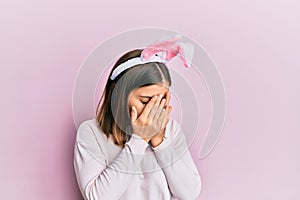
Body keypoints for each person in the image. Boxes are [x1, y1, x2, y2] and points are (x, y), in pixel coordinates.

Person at [73, 35, 202, 200]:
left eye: (162, 100)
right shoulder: (90, 132)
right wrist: (139, 139)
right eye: (146, 100)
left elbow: (189, 193)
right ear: (119, 95)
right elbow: (98, 197)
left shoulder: (170, 129)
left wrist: (160, 142)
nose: (154, 108)